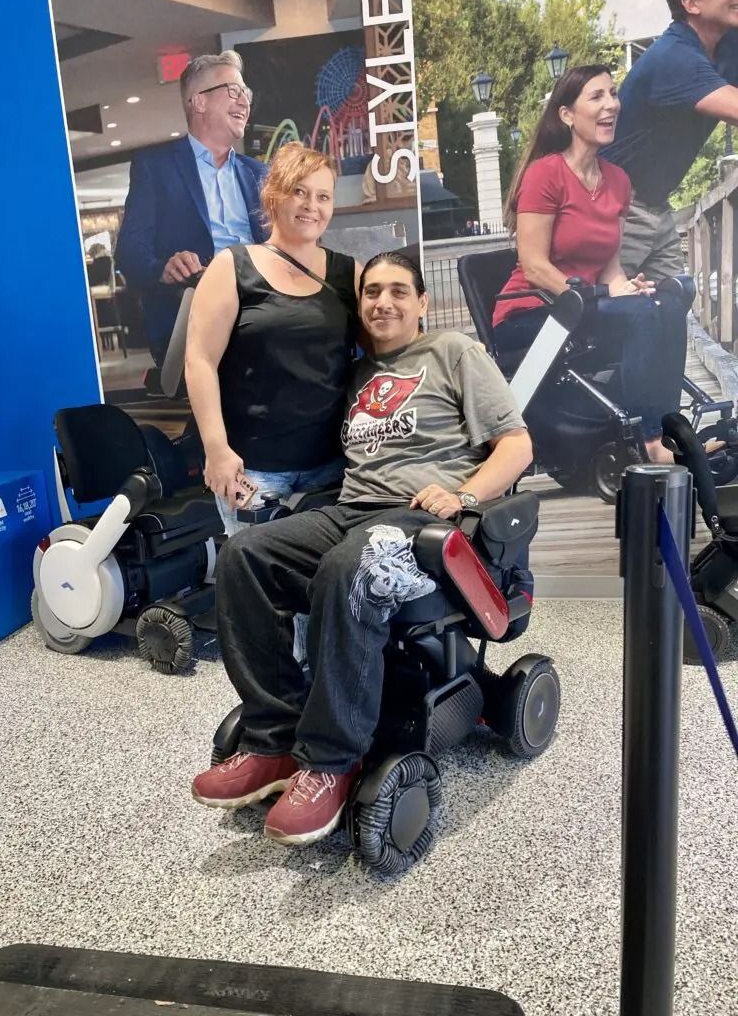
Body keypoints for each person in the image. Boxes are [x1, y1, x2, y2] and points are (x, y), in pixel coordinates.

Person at [190, 252, 532, 847]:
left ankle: (330, 762)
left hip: (426, 523)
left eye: (400, 291)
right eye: (372, 291)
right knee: (246, 555)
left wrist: (463, 494)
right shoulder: (356, 374)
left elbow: (517, 445)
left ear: (422, 302)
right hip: (351, 511)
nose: (384, 302)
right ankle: (274, 740)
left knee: (351, 569)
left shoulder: (453, 352)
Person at [493, 65, 689, 464]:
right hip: (532, 311)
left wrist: (625, 287)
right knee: (639, 316)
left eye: (613, 94)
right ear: (566, 115)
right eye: (596, 96)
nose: (611, 104)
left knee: (671, 299)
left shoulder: (618, 181)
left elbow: (611, 267)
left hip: (583, 304)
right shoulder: (544, 175)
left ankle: (668, 427)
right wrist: (599, 293)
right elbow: (534, 267)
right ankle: (649, 440)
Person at [184, 142, 361, 536]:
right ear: (274, 195)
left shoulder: (349, 274)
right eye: (299, 191)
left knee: (328, 581)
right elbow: (199, 361)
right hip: (252, 471)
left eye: (323, 196)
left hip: (333, 467)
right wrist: (216, 450)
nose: (311, 205)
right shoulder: (233, 267)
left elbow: (388, 351)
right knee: (262, 585)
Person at [115, 51, 267, 366]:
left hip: (263, 303)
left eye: (246, 93)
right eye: (234, 91)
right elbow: (129, 251)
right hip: (195, 311)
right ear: (199, 102)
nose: (244, 102)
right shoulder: (155, 167)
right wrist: (163, 269)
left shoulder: (259, 174)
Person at [602, 0, 738, 281]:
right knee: (603, 312)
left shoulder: (726, 43)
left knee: (673, 301)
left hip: (656, 203)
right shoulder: (675, 58)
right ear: (691, 3)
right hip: (615, 209)